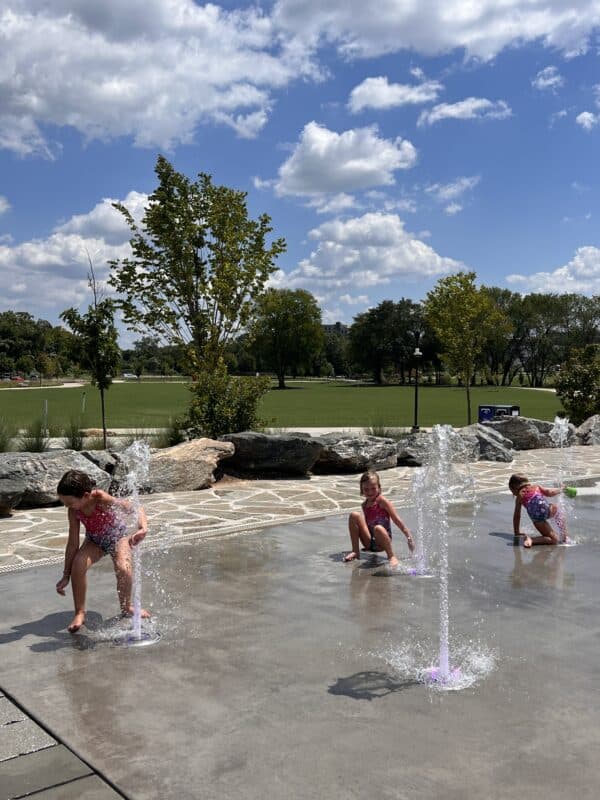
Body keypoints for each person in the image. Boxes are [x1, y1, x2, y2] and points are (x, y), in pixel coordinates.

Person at [55, 470, 150, 633]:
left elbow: (134, 507)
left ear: (85, 496)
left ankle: (127, 606)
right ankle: (79, 612)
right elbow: (72, 543)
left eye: (69, 502)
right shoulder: (74, 511)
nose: (67, 506)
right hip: (95, 541)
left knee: (123, 568)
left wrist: (143, 527)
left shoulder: (100, 498)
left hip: (118, 538)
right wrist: (66, 575)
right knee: (78, 564)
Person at [344, 470, 414, 568]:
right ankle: (355, 551)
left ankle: (391, 556)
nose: (370, 492)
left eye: (373, 488)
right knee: (354, 515)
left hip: (383, 542)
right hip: (370, 543)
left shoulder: (382, 502)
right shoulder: (364, 505)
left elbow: (396, 520)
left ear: (379, 488)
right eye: (366, 489)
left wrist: (409, 537)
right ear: (361, 489)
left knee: (378, 528)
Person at [508, 473, 569, 548]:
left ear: (515, 488)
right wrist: (561, 490)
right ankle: (564, 536)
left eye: (512, 491)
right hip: (547, 510)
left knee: (553, 540)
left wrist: (517, 532)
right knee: (558, 512)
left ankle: (531, 540)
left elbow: (517, 516)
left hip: (537, 519)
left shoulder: (519, 497)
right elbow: (549, 492)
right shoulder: (536, 487)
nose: (513, 494)